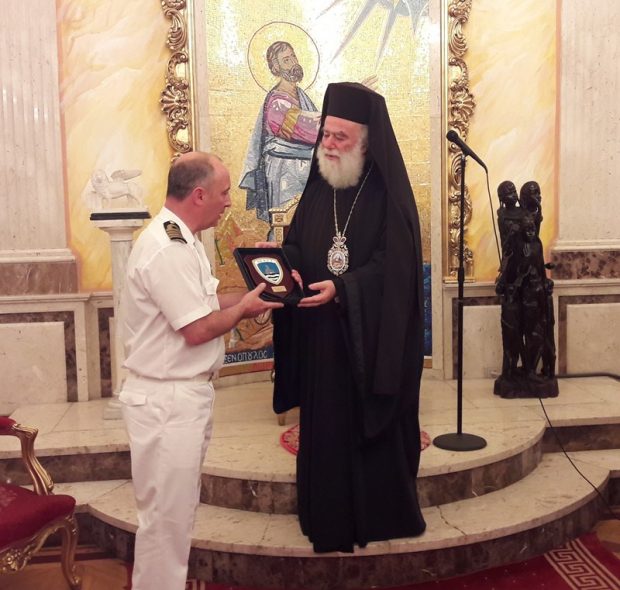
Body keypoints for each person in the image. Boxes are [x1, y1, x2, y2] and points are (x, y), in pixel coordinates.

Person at [268, 82, 427, 552]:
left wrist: (343, 288)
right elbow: (300, 244)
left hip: (366, 342)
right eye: (326, 134)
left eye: (341, 137)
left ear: (366, 141)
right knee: (326, 428)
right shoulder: (319, 189)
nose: (330, 145)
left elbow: (393, 268)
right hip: (321, 339)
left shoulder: (388, 196)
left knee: (364, 429)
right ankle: (327, 516)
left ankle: (378, 517)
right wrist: (287, 265)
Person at [118, 152, 282, 590]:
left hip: (180, 397)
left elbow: (206, 304)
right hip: (166, 402)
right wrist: (245, 309)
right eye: (223, 193)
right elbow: (197, 330)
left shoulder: (183, 239)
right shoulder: (166, 249)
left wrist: (259, 292)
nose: (228, 202)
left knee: (175, 516)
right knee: (165, 524)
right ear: (198, 195)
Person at [240, 41, 321, 227]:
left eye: (293, 57)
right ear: (276, 68)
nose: (293, 62)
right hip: (284, 172)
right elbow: (308, 128)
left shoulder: (302, 97)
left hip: (306, 171)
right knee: (286, 226)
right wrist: (342, 111)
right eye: (286, 60)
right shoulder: (276, 103)